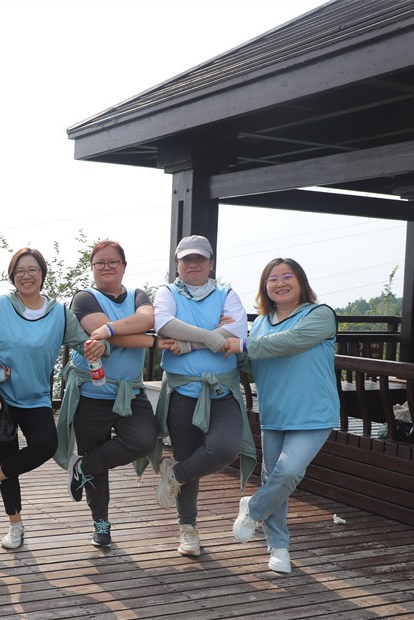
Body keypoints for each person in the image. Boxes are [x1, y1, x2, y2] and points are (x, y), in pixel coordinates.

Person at [0, 247, 100, 549]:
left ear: (42, 274)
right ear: (12, 276)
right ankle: (15, 526)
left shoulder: (59, 314)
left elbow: (82, 343)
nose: (26, 275)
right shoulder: (0, 306)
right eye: (20, 270)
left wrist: (101, 344)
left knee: (46, 445)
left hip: (37, 397)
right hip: (1, 397)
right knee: (7, 457)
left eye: (33, 269)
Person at [230, 258, 338, 574]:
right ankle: (278, 547)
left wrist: (243, 343)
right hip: (274, 412)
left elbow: (290, 342)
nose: (280, 283)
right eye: (272, 279)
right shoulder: (261, 323)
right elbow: (254, 363)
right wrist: (229, 345)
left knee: (289, 471)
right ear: (265, 287)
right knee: (272, 479)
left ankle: (253, 508)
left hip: (313, 413)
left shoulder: (320, 315)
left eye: (287, 276)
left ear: (301, 281)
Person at [151, 235, 255, 558]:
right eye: (187, 259)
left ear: (210, 263)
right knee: (187, 453)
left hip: (222, 391)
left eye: (200, 259)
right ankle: (188, 529)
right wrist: (211, 337)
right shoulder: (167, 293)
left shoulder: (226, 294)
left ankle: (175, 475)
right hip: (182, 390)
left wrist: (189, 342)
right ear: (177, 264)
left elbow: (237, 331)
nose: (193, 264)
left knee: (225, 448)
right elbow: (163, 323)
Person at [56, 240, 158, 548]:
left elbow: (147, 319)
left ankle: (82, 467)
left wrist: (121, 329)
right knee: (95, 453)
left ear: (124, 266)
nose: (107, 267)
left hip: (130, 392)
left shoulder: (138, 295)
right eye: (100, 262)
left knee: (143, 440)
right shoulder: (85, 298)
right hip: (91, 394)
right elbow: (109, 334)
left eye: (113, 261)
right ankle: (100, 523)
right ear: (92, 268)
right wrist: (151, 341)